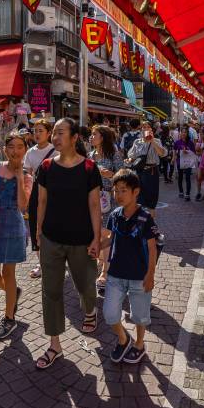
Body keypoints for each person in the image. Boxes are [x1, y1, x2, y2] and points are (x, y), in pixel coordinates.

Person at [34, 118, 102, 369]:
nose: (55, 137)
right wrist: (39, 233)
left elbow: (95, 206)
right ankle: (55, 345)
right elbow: (41, 202)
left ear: (74, 138)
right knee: (50, 291)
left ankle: (90, 310)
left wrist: (96, 237)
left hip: (82, 241)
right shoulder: (47, 167)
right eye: (53, 133)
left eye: (61, 133)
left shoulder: (89, 169)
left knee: (85, 286)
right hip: (51, 239)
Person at [101, 169, 157, 364]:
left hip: (139, 277)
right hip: (116, 274)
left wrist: (150, 275)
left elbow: (152, 249)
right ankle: (123, 339)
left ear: (136, 192)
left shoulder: (145, 218)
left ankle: (139, 345)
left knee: (140, 317)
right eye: (116, 191)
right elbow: (109, 238)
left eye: (123, 190)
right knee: (109, 313)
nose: (118, 195)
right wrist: (96, 247)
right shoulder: (114, 215)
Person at [0, 131, 33, 340]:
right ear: (5, 149)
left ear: (25, 150)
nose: (15, 151)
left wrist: (20, 175)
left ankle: (9, 317)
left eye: (20, 147)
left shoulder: (28, 176)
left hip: (12, 226)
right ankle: (13, 293)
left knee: (8, 273)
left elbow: (23, 205)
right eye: (11, 146)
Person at [89, 124, 124, 292]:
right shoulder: (90, 155)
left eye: (94, 134)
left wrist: (110, 174)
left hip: (109, 198)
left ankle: (105, 271)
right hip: (92, 199)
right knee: (96, 232)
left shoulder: (114, 154)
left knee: (106, 232)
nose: (91, 137)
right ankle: (103, 261)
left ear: (102, 137)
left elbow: (123, 175)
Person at [23, 119, 55, 279]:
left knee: (53, 224)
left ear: (49, 133)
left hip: (54, 192)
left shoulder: (56, 151)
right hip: (35, 191)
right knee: (35, 224)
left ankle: (56, 259)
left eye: (41, 130)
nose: (37, 133)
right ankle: (41, 263)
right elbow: (27, 173)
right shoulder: (30, 152)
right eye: (35, 130)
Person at [126, 122, 166, 216]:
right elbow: (132, 156)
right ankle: (140, 224)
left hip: (152, 171)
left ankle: (151, 226)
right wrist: (129, 160)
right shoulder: (137, 142)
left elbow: (162, 153)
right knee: (138, 198)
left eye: (148, 127)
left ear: (151, 130)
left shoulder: (156, 141)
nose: (146, 129)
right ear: (141, 129)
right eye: (144, 127)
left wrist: (152, 141)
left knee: (151, 201)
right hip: (139, 172)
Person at [174, 126, 195, 201]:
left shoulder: (191, 143)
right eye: (182, 132)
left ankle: (188, 194)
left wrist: (187, 151)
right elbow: (175, 151)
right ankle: (181, 191)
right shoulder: (177, 142)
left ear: (187, 133)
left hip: (188, 162)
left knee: (187, 178)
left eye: (185, 132)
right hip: (180, 162)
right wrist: (174, 158)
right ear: (180, 133)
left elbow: (193, 153)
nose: (183, 133)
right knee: (180, 177)